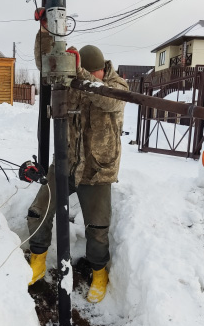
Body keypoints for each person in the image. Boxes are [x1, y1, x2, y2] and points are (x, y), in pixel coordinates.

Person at [27, 16, 129, 303]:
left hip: (98, 170)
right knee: (39, 210)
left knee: (97, 227)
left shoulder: (116, 85)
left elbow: (108, 100)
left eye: (92, 73)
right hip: (65, 162)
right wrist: (46, 29)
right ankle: (37, 259)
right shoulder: (73, 80)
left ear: (101, 70)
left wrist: (80, 74)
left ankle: (99, 272)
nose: (89, 78)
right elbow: (46, 62)